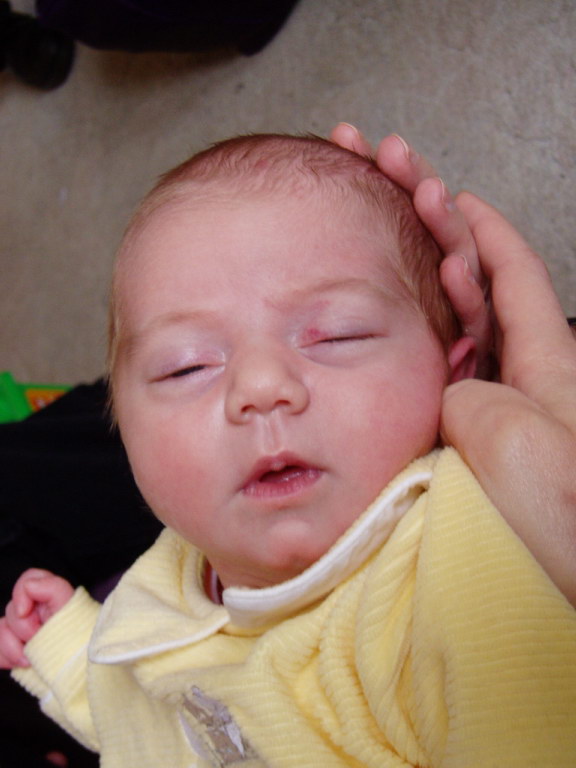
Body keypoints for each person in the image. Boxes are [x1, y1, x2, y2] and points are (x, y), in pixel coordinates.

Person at [1, 133, 575, 768]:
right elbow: (161, 715)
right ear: (120, 430)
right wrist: (72, 650)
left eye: (336, 336)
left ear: (455, 374)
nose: (260, 388)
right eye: (187, 367)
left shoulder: (462, 573)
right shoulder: (168, 576)